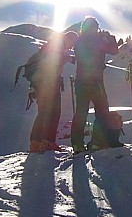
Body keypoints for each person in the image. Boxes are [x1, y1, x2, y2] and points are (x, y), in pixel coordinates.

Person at [70, 17, 120, 152]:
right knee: (102, 111)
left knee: (81, 112)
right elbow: (114, 50)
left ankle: (77, 144)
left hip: (81, 81)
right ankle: (97, 142)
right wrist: (109, 37)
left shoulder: (79, 41)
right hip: (96, 81)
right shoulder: (98, 41)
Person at [29, 31, 78, 152]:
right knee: (52, 113)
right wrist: (67, 59)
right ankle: (46, 142)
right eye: (72, 42)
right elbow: (52, 61)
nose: (71, 46)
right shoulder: (57, 46)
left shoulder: (54, 45)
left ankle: (37, 142)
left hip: (45, 83)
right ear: (68, 39)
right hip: (47, 84)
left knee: (45, 113)